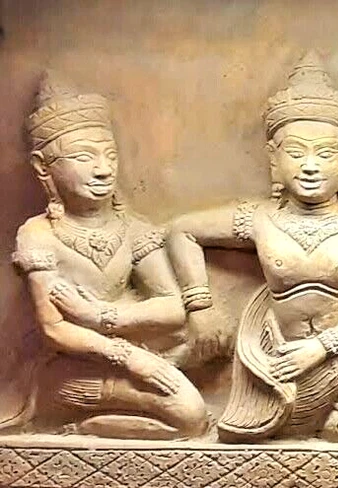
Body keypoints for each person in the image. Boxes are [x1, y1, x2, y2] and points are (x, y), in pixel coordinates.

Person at [167, 52, 338, 444]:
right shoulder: (260, 219)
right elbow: (182, 231)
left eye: (325, 154)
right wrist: (200, 308)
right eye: (295, 152)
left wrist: (323, 346)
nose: (309, 166)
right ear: (274, 159)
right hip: (280, 357)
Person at [6, 72, 208, 440]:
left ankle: (88, 428)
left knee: (192, 415)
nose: (103, 169)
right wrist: (127, 356)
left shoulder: (133, 228)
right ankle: (78, 426)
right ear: (42, 166)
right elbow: (54, 329)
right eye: (84, 157)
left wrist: (99, 315)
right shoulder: (39, 234)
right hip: (72, 368)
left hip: (133, 355)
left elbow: (173, 307)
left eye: (110, 155)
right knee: (188, 415)